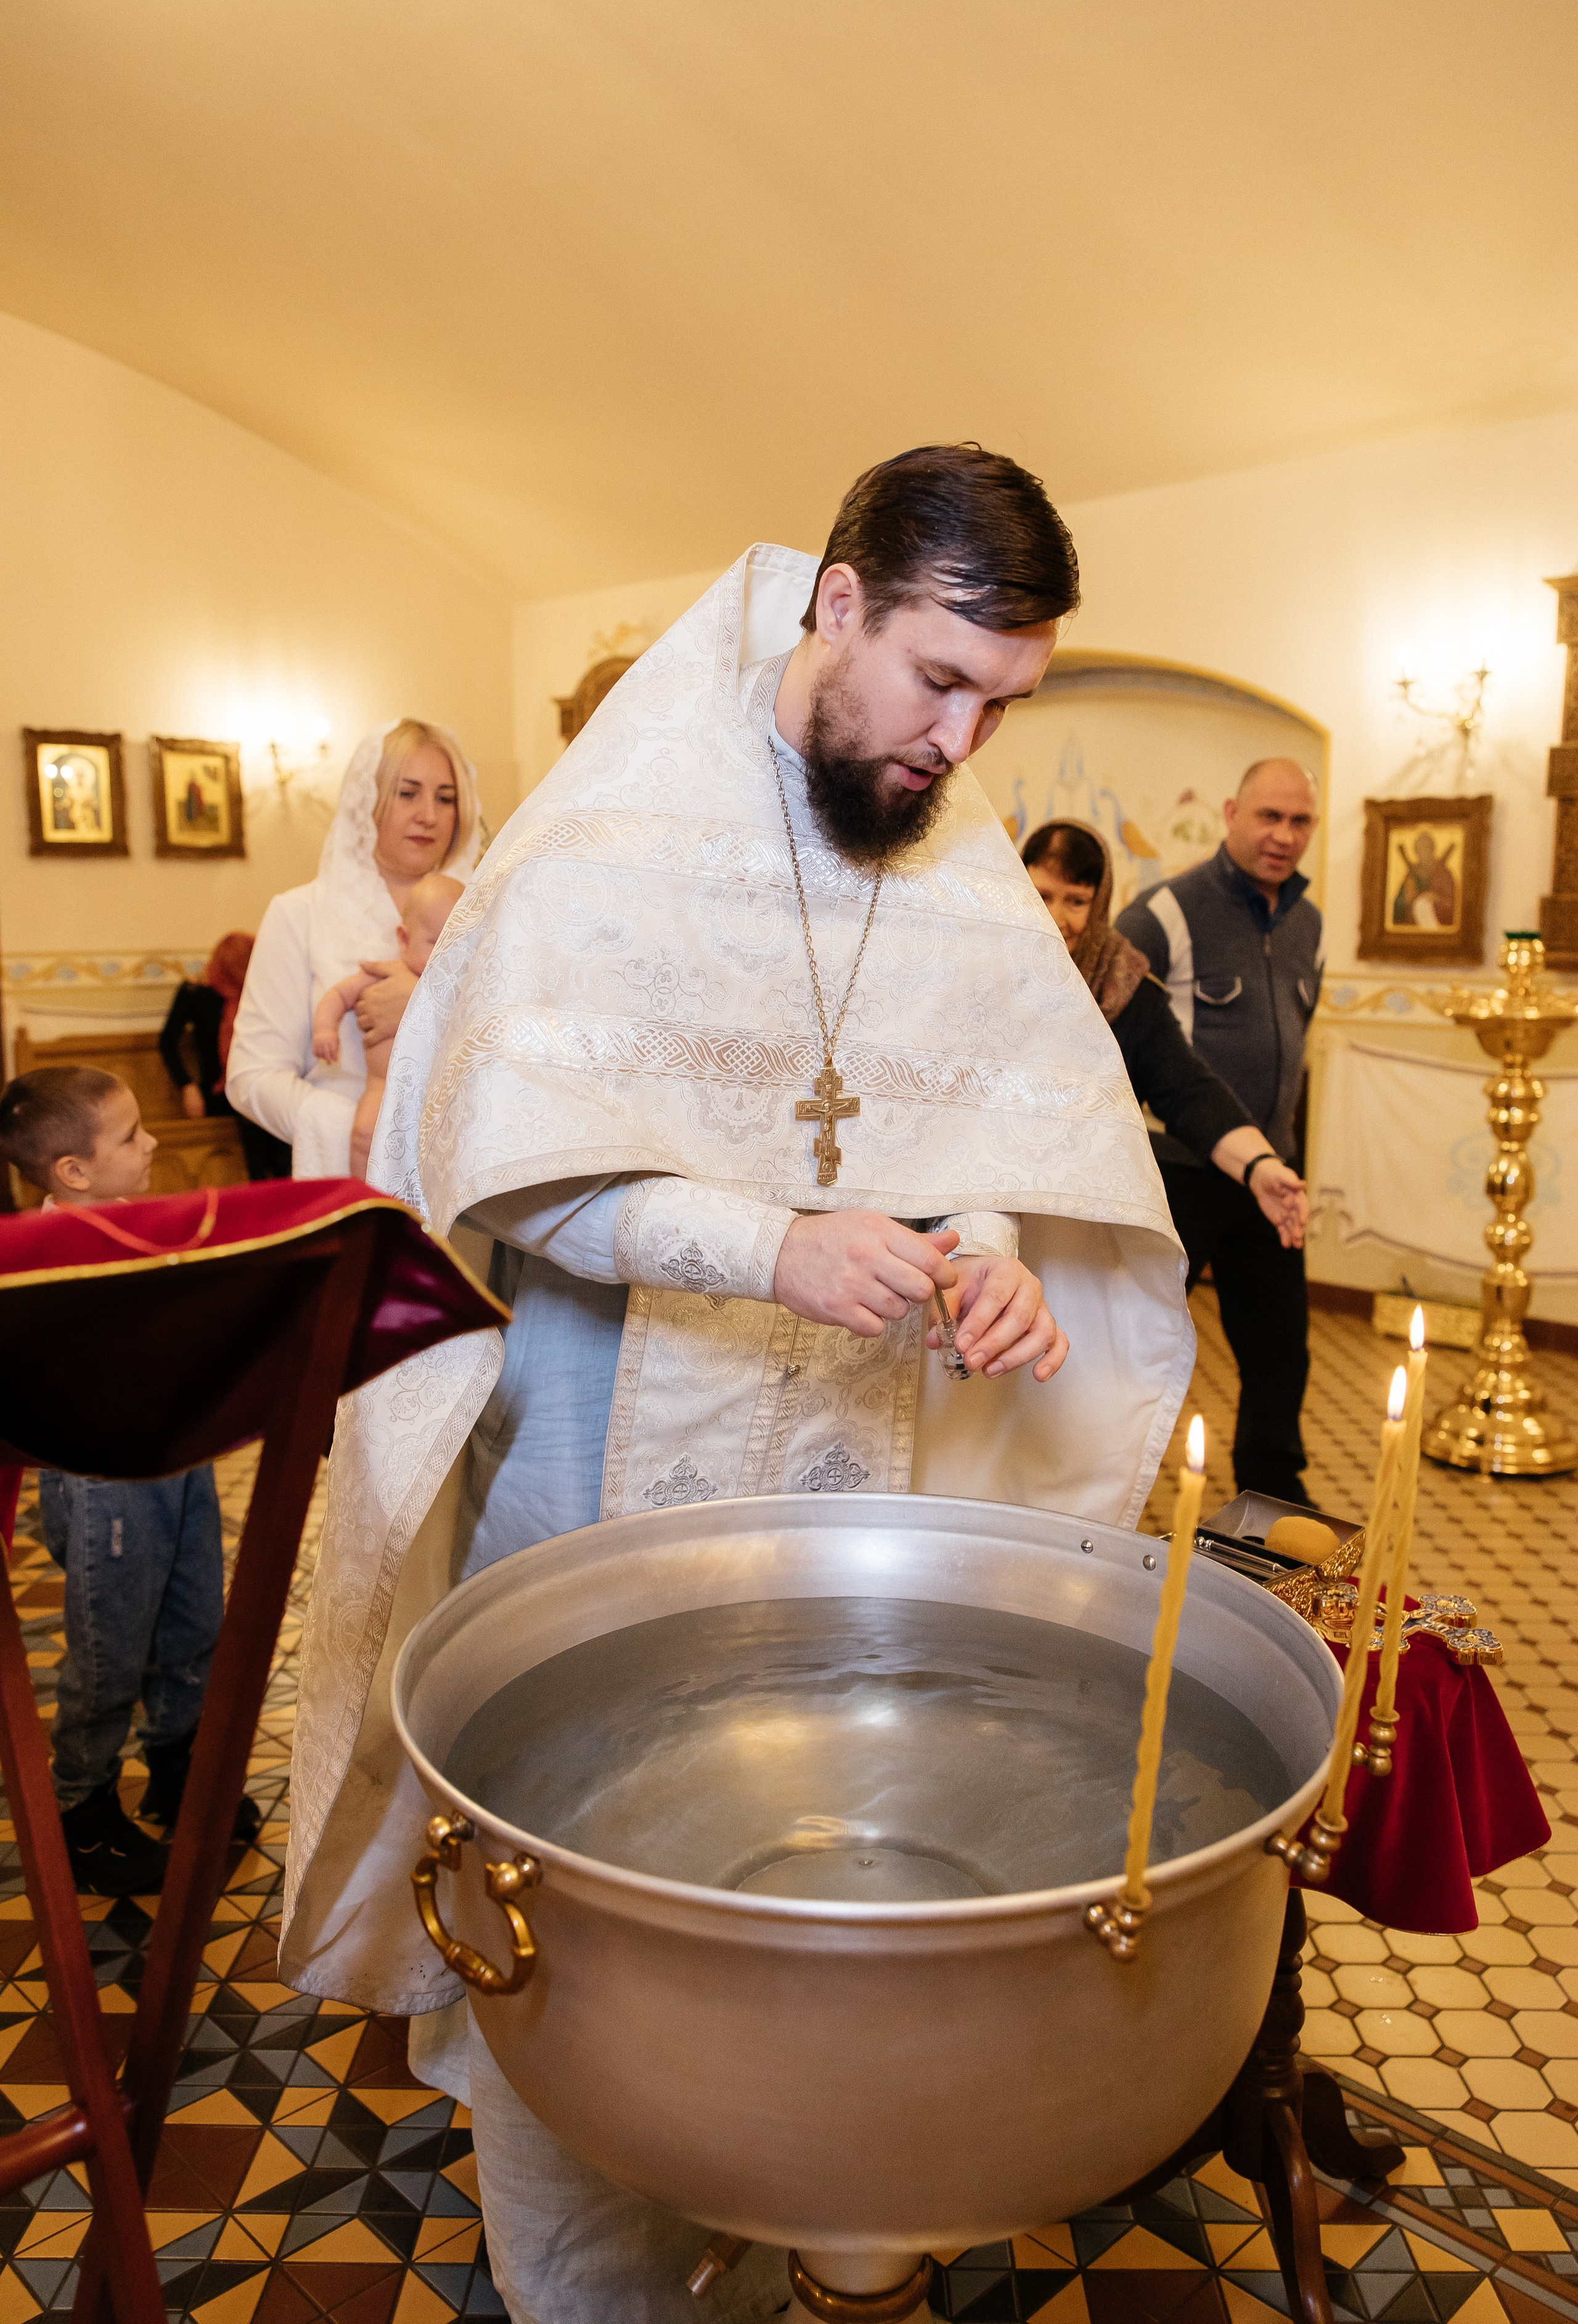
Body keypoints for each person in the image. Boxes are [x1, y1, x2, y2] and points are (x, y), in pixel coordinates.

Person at [278, 446, 1197, 2324]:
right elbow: (502, 1168)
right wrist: (772, 1245)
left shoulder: (936, 839)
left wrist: (995, 1240)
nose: (959, 743)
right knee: (586, 1909)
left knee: (805, 1886)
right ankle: (584, 2289)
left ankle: (796, 2216)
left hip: (849, 1465)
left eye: (1000, 706)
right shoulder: (612, 839)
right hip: (598, 1460)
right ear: (838, 602)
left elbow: (983, 1104)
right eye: (940, 679)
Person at [0, 1066, 260, 1896]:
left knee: (194, 1620)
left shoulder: (141, 1226)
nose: (152, 1145)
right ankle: (83, 1808)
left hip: (180, 1460)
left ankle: (180, 1768)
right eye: (130, 1137)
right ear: (72, 1171)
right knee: (112, 1647)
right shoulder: (44, 1263)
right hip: (104, 1481)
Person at [1114, 757, 1323, 1505]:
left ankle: (1272, 1504)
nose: (1283, 836)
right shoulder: (1162, 912)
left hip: (1269, 1176)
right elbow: (1120, 1038)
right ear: (1232, 813)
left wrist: (1275, 1157)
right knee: (1140, 1343)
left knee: (1279, 1353)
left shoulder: (1308, 923)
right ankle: (1111, 1490)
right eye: (1269, 817)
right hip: (1180, 1172)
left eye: (1300, 821)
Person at [1021, 821, 1308, 1246]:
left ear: (1100, 904)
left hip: (1084, 1214)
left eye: (1077, 901)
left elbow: (1187, 1089)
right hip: (998, 1206)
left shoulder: (1126, 989)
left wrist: (1259, 1165)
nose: (1056, 918)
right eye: (1041, 895)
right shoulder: (984, 976)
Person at [226, 719, 481, 1178]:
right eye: (408, 793)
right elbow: (251, 1078)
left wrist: (431, 1007)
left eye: (446, 798)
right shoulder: (299, 914)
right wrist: (358, 1129)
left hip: (467, 1160)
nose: (429, 814)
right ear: (368, 800)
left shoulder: (488, 915)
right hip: (351, 1158)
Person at [311, 873, 465, 1179]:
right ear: (404, 939)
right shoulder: (383, 973)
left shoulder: (459, 988)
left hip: (437, 1089)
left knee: (439, 1153)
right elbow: (340, 994)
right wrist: (325, 1028)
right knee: (365, 1136)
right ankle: (364, 1199)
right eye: (436, 943)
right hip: (383, 1084)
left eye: (458, 945)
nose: (447, 956)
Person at [158, 931, 292, 1181]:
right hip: (220, 1089)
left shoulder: (262, 991)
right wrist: (187, 1086)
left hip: (261, 1082)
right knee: (252, 1104)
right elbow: (168, 1043)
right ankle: (264, 1182)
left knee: (269, 1102)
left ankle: (277, 1182)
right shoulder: (196, 991)